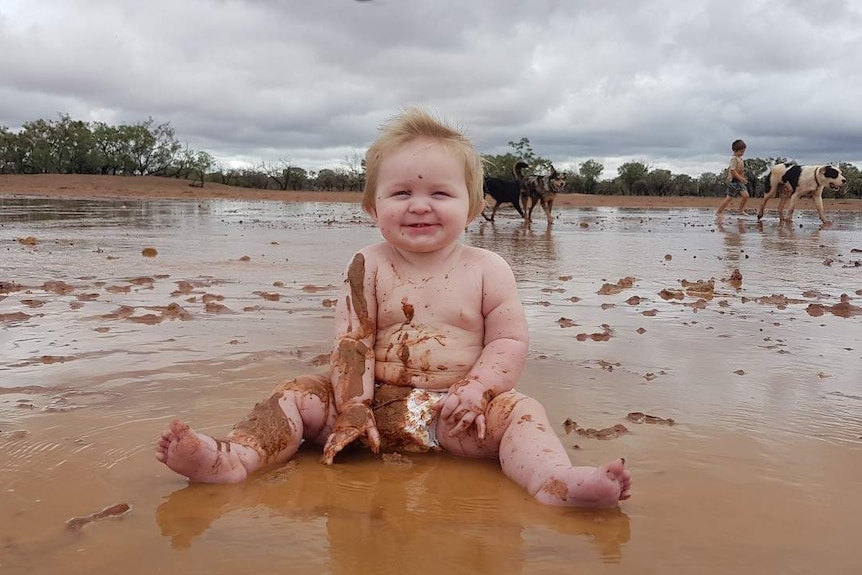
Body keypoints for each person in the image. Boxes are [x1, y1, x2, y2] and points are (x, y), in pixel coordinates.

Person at [156, 107, 631, 508]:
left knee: (522, 411)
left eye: (440, 193)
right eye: (402, 193)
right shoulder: (368, 264)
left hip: (455, 417)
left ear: (471, 206)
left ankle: (553, 481)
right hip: (365, 411)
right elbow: (353, 341)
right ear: (372, 206)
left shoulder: (489, 268)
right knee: (297, 392)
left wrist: (479, 389)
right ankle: (234, 457)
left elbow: (508, 340)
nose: (419, 206)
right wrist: (354, 406)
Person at [716, 139, 750, 218]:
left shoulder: (740, 159)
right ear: (735, 150)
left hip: (740, 181)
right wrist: (740, 178)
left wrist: (742, 178)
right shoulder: (734, 159)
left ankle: (741, 210)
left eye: (743, 151)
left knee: (746, 196)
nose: (742, 153)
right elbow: (732, 171)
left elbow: (741, 170)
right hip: (734, 181)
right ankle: (719, 211)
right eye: (741, 151)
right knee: (729, 197)